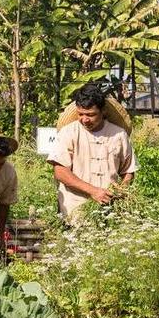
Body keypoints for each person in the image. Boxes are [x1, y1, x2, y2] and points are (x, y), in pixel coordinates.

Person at [47, 84, 137, 222]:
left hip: (110, 209)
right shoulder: (68, 133)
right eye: (80, 114)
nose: (84, 119)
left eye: (90, 115)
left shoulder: (119, 134)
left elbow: (128, 171)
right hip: (75, 210)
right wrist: (93, 191)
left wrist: (120, 192)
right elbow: (60, 172)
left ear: (103, 112)